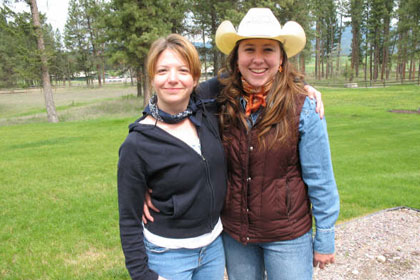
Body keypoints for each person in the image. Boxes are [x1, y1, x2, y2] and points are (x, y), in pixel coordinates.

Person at [212, 8, 340, 280]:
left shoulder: (303, 106)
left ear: (281, 58)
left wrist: (325, 237)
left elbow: (321, 178)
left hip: (288, 236)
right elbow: (174, 110)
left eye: (268, 50)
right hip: (237, 236)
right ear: (237, 59)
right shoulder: (220, 103)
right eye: (249, 49)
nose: (258, 59)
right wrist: (151, 184)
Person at [117, 34, 227, 280]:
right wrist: (142, 275)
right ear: (152, 78)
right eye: (163, 70)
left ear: (195, 78)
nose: (173, 79)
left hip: (213, 249)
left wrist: (295, 84)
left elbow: (251, 70)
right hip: (167, 256)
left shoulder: (206, 111)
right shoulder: (137, 144)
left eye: (183, 70)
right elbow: (128, 218)